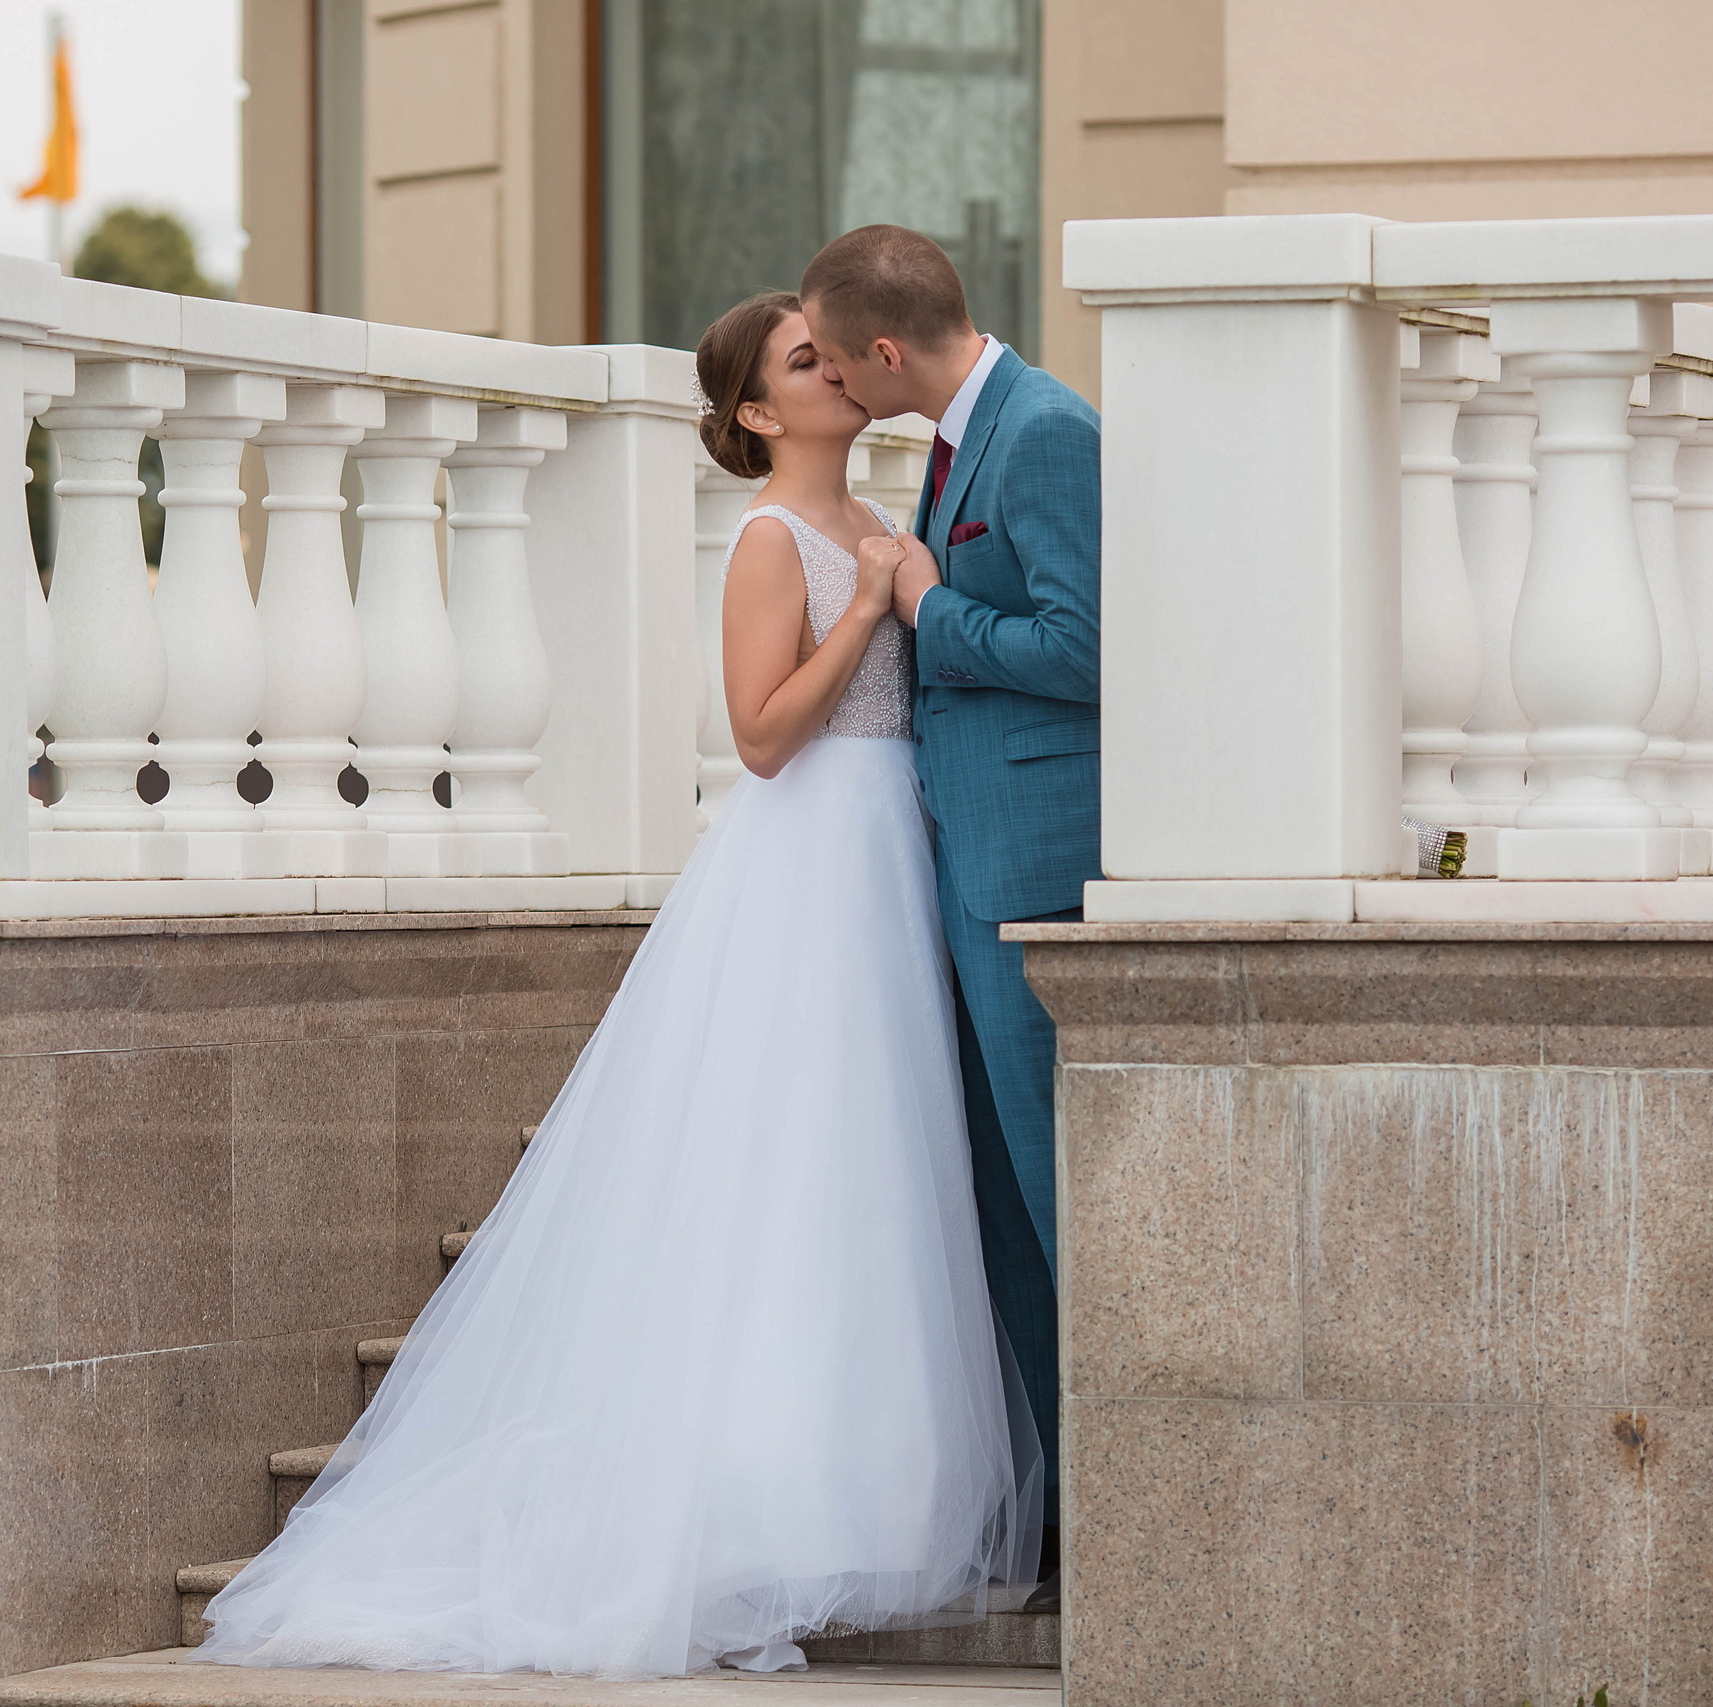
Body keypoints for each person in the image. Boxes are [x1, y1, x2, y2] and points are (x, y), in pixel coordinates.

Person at [190, 290, 1041, 1679]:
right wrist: (869, 613)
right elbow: (761, 734)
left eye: (833, 351)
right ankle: (744, 1508)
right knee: (793, 1155)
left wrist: (904, 584)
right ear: (758, 409)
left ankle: (863, 1490)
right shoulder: (771, 539)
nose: (835, 371)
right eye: (804, 361)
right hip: (814, 856)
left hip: (901, 847)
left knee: (879, 1163)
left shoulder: (884, 522)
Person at [800, 226, 1106, 1613]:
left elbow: (1091, 648)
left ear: (883, 350)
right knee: (997, 1204)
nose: (831, 383)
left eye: (833, 359)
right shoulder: (950, 441)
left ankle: (1112, 1512)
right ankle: (1052, 1515)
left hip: (1034, 864)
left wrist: (930, 609)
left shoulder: (1044, 434)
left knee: (1053, 1193)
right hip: (960, 856)